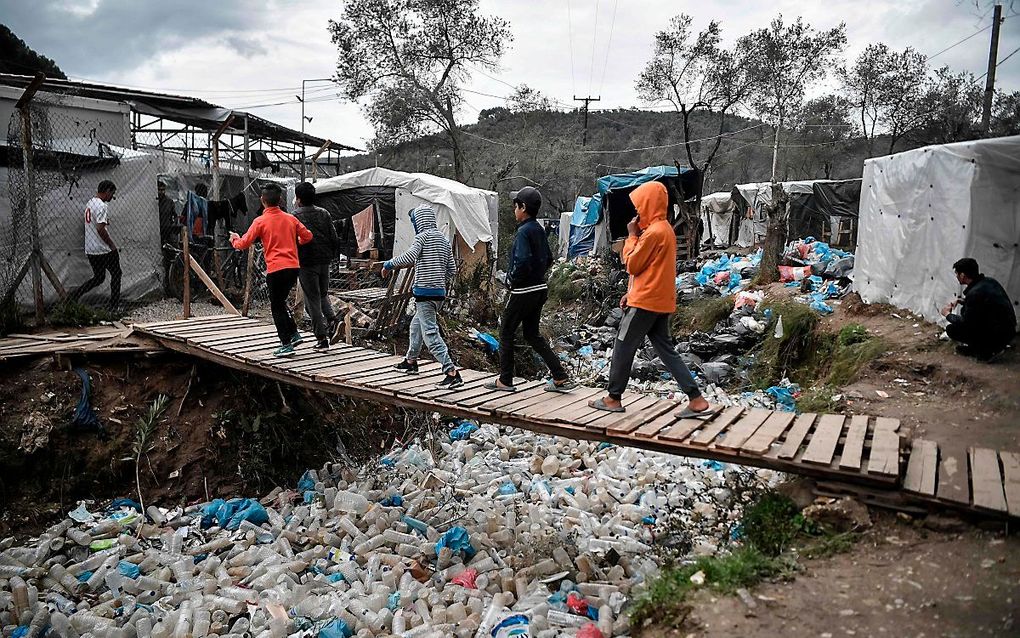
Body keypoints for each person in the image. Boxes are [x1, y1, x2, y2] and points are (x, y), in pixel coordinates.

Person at [588, 181, 713, 417]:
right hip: (659, 300)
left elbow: (632, 264)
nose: (637, 213)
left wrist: (631, 237)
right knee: (666, 349)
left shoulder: (653, 233)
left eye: (639, 207)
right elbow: (651, 270)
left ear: (649, 205)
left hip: (645, 302)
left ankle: (613, 398)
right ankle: (696, 399)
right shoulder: (665, 230)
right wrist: (630, 292)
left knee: (623, 345)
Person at [486, 186, 577, 392]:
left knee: (506, 332)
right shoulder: (538, 229)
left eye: (515, 206)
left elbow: (522, 261)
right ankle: (560, 376)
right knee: (532, 334)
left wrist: (513, 280)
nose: (514, 209)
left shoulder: (523, 232)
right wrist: (537, 275)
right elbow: (549, 258)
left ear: (523, 207)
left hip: (522, 291)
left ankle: (505, 380)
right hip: (539, 289)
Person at [384, 205, 463, 389]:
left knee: (430, 335)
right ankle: (411, 362)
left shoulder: (422, 237)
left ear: (419, 221)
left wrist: (389, 264)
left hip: (424, 294)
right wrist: (438, 278)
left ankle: (451, 372)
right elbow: (452, 269)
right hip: (438, 295)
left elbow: (409, 257)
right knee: (416, 327)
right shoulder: (443, 239)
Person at [229, 183, 313, 357]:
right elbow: (308, 236)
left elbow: (243, 244)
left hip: (275, 269)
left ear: (262, 200)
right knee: (280, 302)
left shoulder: (260, 221)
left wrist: (234, 239)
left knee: (276, 306)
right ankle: (294, 334)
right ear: (280, 200)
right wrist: (295, 243)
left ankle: (286, 344)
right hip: (293, 267)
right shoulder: (291, 219)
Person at [940, 257, 1016, 360]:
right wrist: (961, 301)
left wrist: (947, 315)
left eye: (957, 274)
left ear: (962, 275)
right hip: (1009, 331)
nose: (957, 276)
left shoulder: (975, 293)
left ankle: (984, 350)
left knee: (952, 329)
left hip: (996, 335)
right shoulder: (990, 282)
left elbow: (966, 322)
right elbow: (984, 306)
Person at [293, 182, 340, 350]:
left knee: (311, 300)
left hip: (306, 263)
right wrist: (332, 257)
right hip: (324, 261)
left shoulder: (295, 216)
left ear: (298, 199)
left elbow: (293, 241)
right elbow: (334, 238)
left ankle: (322, 338)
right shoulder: (324, 213)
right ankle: (333, 320)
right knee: (322, 294)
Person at [70, 180, 121, 310]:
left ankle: (75, 295)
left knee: (99, 277)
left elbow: (94, 223)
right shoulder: (102, 206)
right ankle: (114, 305)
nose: (112, 197)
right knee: (116, 274)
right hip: (103, 249)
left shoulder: (90, 203)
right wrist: (111, 245)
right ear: (107, 191)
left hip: (91, 248)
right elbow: (100, 229)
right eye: (112, 193)